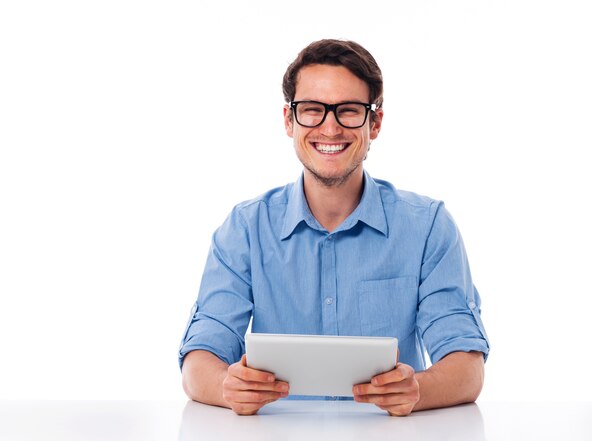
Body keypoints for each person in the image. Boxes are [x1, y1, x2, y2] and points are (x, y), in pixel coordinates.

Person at [179, 39, 489, 416]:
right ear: (289, 120)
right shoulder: (245, 228)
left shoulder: (427, 227)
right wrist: (227, 387)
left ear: (374, 123)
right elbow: (200, 361)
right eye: (312, 110)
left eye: (348, 111)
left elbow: (467, 368)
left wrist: (418, 390)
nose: (330, 128)